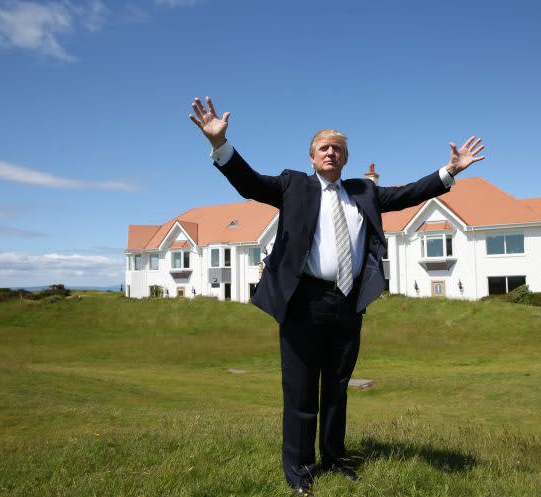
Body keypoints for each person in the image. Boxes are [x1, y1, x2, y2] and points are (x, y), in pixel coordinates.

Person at [189, 96, 485, 496]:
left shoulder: (364, 192)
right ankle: (298, 470)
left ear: (345, 159)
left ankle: (333, 457)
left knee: (337, 387)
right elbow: (250, 183)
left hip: (348, 302)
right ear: (312, 157)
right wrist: (220, 145)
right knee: (300, 389)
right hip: (303, 302)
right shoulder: (294, 185)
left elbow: (411, 193)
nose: (331, 152)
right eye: (324, 148)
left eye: (338, 149)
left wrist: (449, 171)